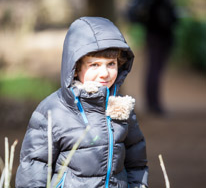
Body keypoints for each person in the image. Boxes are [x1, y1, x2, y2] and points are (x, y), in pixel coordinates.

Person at [15, 16, 148, 188]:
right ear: (76, 68)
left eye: (111, 64)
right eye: (94, 65)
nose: (104, 73)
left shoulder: (121, 108)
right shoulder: (53, 110)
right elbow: (33, 169)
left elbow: (136, 164)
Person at [128, 0, 177, 114]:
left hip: (159, 34)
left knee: (155, 69)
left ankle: (153, 103)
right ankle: (153, 104)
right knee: (154, 69)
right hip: (157, 34)